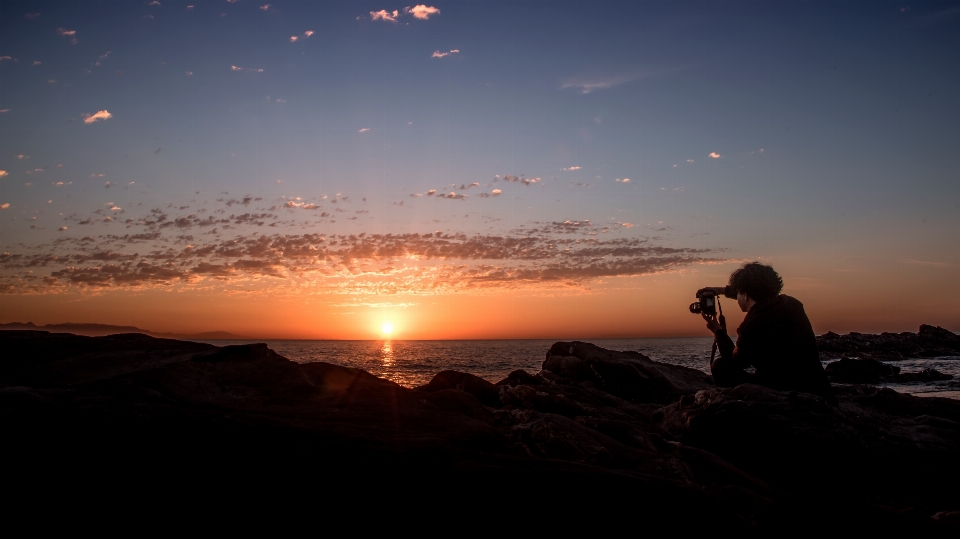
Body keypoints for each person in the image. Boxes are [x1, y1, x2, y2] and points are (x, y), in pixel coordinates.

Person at [700, 262, 836, 404]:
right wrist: (720, 290)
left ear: (745, 295)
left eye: (739, 292)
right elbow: (756, 294)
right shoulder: (792, 304)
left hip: (783, 392)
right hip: (818, 387)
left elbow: (735, 361)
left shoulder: (752, 323)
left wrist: (717, 330)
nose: (738, 297)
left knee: (720, 366)